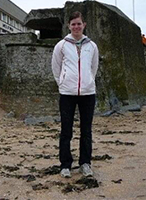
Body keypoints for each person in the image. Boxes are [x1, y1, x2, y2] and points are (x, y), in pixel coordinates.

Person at [51, 11, 99, 178]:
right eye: (73, 24)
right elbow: (55, 68)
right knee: (66, 130)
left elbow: (94, 68)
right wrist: (63, 83)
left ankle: (85, 163)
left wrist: (88, 82)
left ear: (83, 25)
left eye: (79, 23)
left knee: (86, 130)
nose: (76, 27)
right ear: (69, 26)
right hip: (67, 94)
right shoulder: (61, 46)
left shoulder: (92, 46)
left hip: (88, 93)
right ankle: (65, 165)